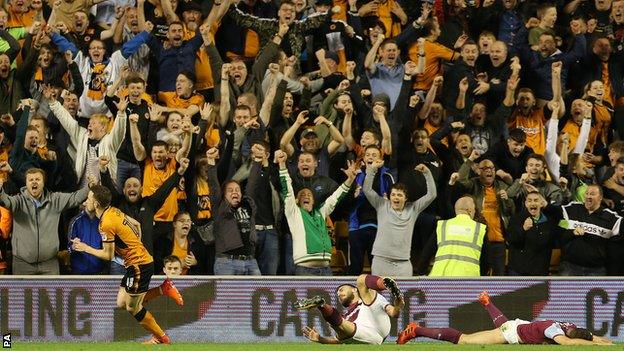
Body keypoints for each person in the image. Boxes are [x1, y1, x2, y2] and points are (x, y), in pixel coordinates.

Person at [70, 184, 183, 344]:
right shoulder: (113, 211)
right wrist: (136, 246)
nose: (86, 201)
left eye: (88, 198)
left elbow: (108, 255)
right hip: (136, 263)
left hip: (139, 265)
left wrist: (85, 247)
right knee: (122, 302)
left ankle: (161, 338)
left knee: (133, 307)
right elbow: (136, 224)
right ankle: (163, 288)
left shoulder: (105, 224)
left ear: (95, 204)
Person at [397, 291, 613, 346]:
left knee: (507, 324)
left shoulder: (569, 326)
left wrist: (606, 342)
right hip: (511, 332)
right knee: (465, 340)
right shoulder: (555, 332)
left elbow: (585, 336)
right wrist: (601, 345)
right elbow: (568, 343)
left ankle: (487, 302)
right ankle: (417, 330)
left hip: (518, 325)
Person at [0, 168, 89, 275]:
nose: (34, 182)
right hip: (22, 263)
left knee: (51, 292)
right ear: (26, 183)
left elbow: (75, 198)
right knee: (23, 292)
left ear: (43, 183)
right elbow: (5, 201)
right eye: (30, 180)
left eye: (37, 179)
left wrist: (89, 187)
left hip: (49, 263)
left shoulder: (55, 200)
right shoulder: (18, 201)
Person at [364, 159, 436, 276]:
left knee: (403, 294)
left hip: (403, 263)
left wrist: (427, 173)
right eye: (393, 194)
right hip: (381, 261)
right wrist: (372, 170)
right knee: (379, 294)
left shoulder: (413, 209)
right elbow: (367, 190)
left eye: (399, 195)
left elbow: (432, 195)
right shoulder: (382, 205)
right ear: (389, 196)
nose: (395, 197)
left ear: (406, 198)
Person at [295, 275, 404, 344]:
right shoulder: (346, 316)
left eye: (341, 289)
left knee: (361, 280)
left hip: (379, 326)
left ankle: (386, 284)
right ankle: (321, 304)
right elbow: (339, 340)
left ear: (354, 290)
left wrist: (398, 305)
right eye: (337, 293)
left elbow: (394, 313)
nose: (339, 293)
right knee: (340, 326)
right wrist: (320, 339)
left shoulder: (370, 296)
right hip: (365, 335)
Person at [428, 196, 486, 277]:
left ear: (456, 210)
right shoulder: (480, 228)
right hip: (468, 280)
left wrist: (421, 272)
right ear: (470, 210)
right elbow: (486, 259)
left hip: (440, 279)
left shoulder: (443, 226)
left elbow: (427, 251)